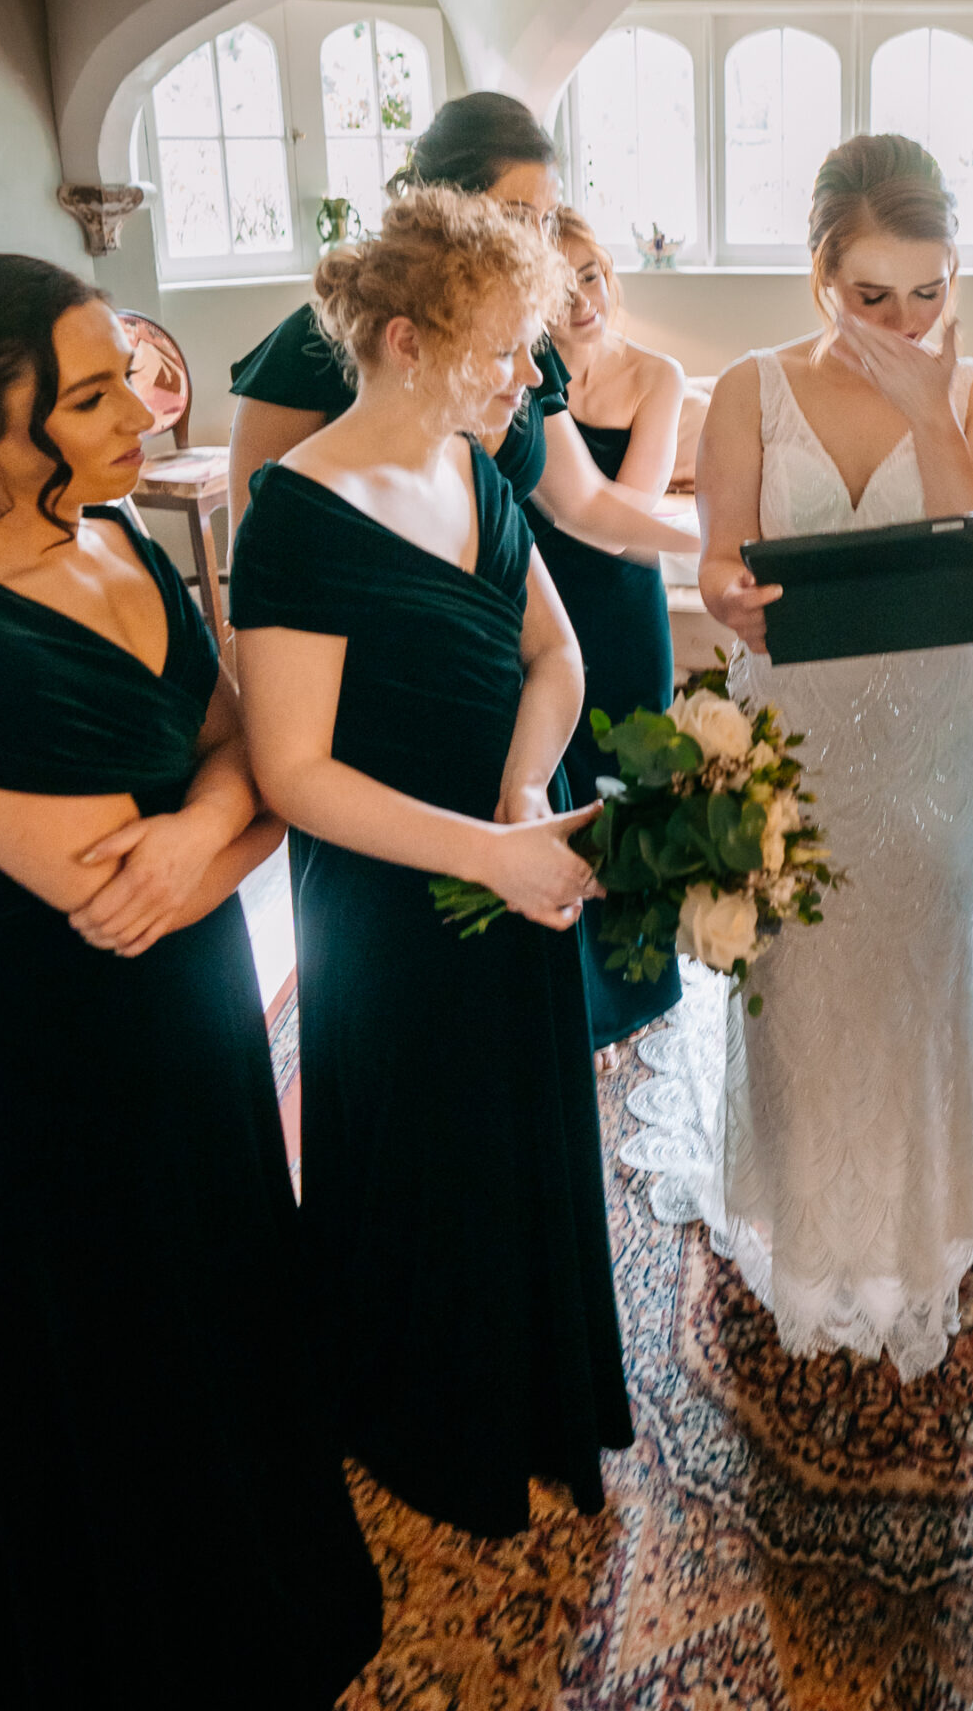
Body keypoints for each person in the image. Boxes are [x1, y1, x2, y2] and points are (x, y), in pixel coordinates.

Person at [0, 253, 381, 1710]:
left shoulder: (118, 536)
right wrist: (228, 817)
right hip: (42, 1058)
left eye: (124, 370)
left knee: (225, 1302)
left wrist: (206, 827)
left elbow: (235, 754)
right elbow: (103, 892)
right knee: (107, 1362)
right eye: (88, 395)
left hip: (191, 1022)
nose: (142, 406)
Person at [625, 134, 973, 1383]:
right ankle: (808, 1209)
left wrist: (932, 411)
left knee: (923, 959)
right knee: (804, 972)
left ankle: (920, 1210)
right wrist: (729, 595)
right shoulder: (750, 389)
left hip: (933, 732)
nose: (905, 317)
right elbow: (718, 560)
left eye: (929, 290)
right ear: (820, 276)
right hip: (799, 730)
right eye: (872, 294)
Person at [229, 188, 633, 1541]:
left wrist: (525, 796)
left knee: (520, 1120)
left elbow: (556, 655)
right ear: (403, 341)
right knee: (422, 1146)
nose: (532, 375)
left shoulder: (479, 468)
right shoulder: (290, 513)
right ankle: (426, 1412)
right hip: (392, 895)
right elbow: (291, 774)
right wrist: (486, 851)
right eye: (510, 346)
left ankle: (533, 1389)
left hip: (511, 850)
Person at [227, 90, 694, 559]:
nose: (539, 242)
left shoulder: (523, 335)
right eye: (515, 216)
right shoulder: (319, 338)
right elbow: (251, 553)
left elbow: (584, 502)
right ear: (443, 205)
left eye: (547, 219)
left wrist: (707, 546)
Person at [535, 208, 687, 1052]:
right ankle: (567, 986)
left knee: (636, 784)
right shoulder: (515, 381)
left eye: (589, 273)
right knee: (555, 783)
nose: (580, 298)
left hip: (623, 605)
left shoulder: (656, 376)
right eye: (558, 287)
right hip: (533, 612)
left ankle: (639, 980)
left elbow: (620, 520)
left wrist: (701, 544)